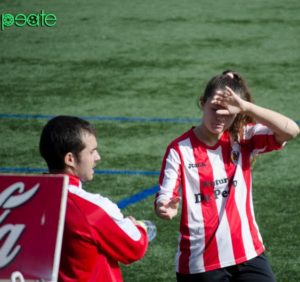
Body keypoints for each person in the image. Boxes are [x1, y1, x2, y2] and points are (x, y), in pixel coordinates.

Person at [154, 70, 299, 282]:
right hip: (201, 263)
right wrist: (164, 208)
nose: (220, 118)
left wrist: (246, 107)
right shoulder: (179, 149)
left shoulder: (243, 137)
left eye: (228, 112)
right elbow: (164, 196)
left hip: (248, 253)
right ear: (203, 103)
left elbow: (292, 130)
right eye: (214, 109)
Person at [39, 115, 148, 282]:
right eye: (91, 151)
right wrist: (140, 227)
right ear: (70, 159)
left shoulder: (25, 197)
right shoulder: (92, 208)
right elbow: (135, 246)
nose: (98, 157)